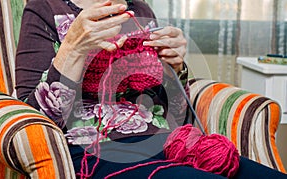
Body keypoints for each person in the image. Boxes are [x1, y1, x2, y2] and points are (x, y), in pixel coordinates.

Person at [15, 0, 287, 178]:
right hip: (94, 152)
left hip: (164, 141)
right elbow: (34, 121)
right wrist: (73, 49)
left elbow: (173, 110)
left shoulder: (141, 11)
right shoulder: (43, 8)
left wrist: (174, 67)